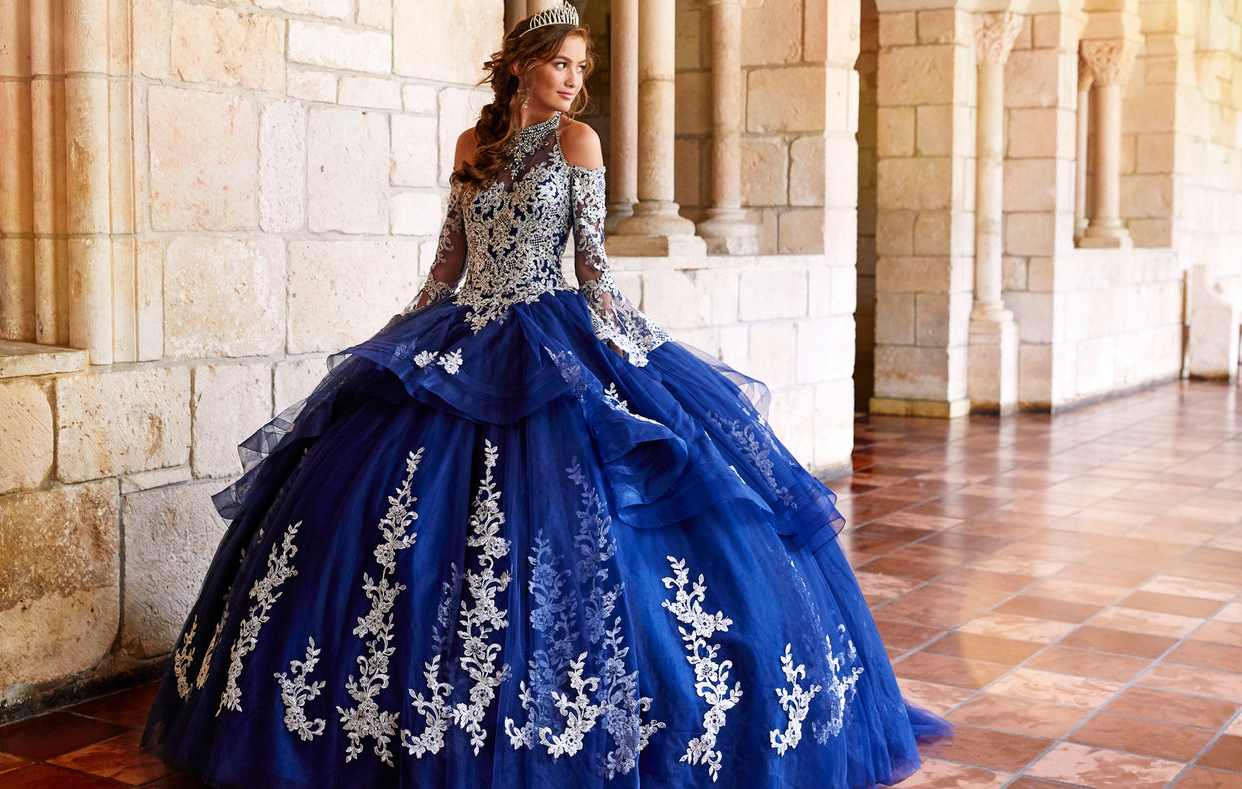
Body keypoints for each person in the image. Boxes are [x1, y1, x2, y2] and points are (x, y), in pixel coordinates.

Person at [142, 3, 951, 786]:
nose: (573, 80)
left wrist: (641, 359)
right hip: (464, 336)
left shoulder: (580, 143)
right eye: (561, 64)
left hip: (552, 339)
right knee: (391, 521)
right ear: (523, 66)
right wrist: (397, 332)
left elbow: (593, 270)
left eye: (582, 68)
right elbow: (448, 265)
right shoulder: (472, 143)